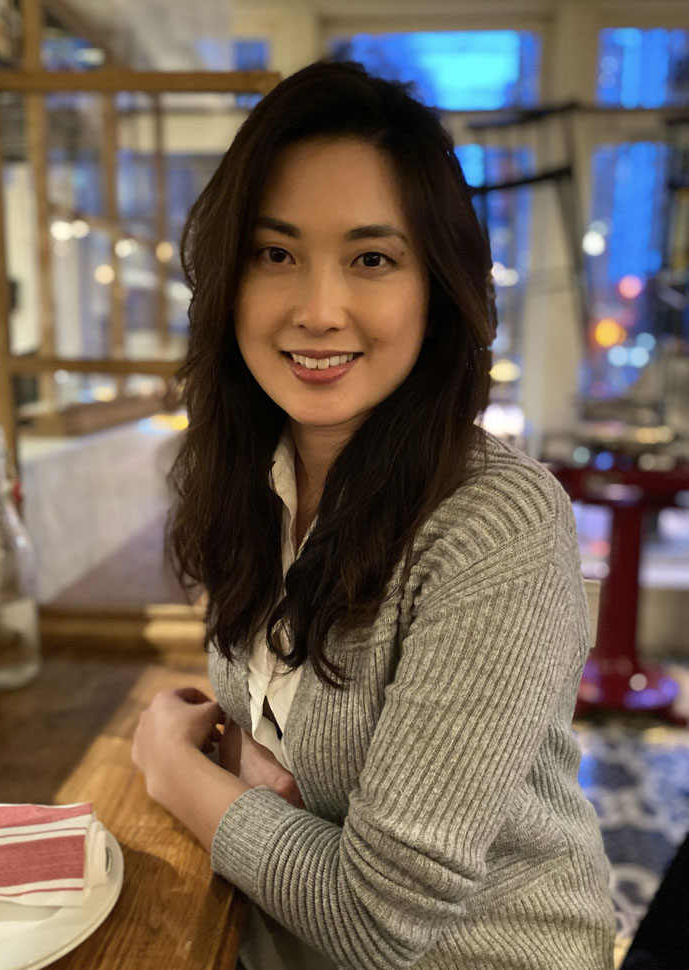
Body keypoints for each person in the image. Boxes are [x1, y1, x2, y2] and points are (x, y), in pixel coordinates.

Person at [132, 60, 616, 970]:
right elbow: (283, 754)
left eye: (371, 259)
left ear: (435, 288)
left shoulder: (495, 523)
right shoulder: (257, 477)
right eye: (275, 254)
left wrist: (171, 768)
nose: (318, 310)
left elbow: (376, 918)